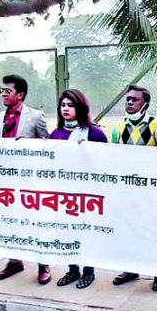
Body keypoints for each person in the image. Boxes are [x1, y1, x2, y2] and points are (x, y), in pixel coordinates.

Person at [0, 74, 52, 283]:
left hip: (31, 180)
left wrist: (30, 143)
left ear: (21, 94)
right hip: (6, 180)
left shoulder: (35, 116)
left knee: (35, 222)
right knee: (9, 221)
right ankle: (14, 261)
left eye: (7, 91)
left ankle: (43, 264)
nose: (3, 95)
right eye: (1, 91)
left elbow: (48, 143)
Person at [108, 85, 157, 291]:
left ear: (146, 104)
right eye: (128, 99)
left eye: (135, 100)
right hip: (128, 190)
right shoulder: (118, 128)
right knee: (129, 230)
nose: (130, 103)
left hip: (152, 190)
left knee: (154, 231)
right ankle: (131, 268)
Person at [49, 89, 108, 288]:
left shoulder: (94, 133)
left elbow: (106, 163)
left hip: (87, 195)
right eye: (63, 105)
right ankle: (73, 270)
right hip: (63, 194)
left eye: (70, 105)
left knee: (85, 232)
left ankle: (88, 272)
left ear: (80, 107)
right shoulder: (56, 134)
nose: (65, 109)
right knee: (67, 232)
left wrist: (88, 152)